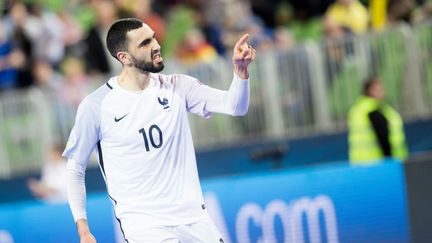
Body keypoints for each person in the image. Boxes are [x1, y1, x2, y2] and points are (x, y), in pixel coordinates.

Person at [63, 17, 255, 243]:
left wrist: (240, 72)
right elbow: (75, 168)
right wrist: (83, 230)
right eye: (144, 43)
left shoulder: (178, 86)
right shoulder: (97, 105)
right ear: (124, 57)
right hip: (145, 226)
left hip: (194, 218)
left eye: (153, 37)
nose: (156, 45)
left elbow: (235, 106)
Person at [348, 76, 409, 164]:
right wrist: (389, 159)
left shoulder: (358, 109)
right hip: (379, 164)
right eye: (378, 89)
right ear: (370, 91)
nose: (382, 91)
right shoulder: (373, 109)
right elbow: (383, 136)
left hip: (361, 164)